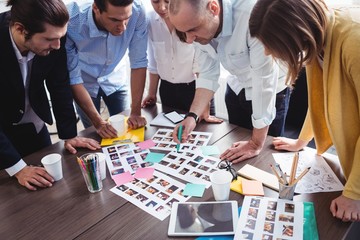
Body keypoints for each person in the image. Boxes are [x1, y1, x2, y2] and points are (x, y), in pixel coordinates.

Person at [249, 0, 360, 222]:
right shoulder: (317, 36)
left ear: (295, 33)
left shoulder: (353, 41)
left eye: (271, 44)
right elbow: (322, 98)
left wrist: (355, 192)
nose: (268, 52)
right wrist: (302, 141)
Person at [168, 0, 290, 163]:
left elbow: (263, 83)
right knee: (233, 156)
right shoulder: (197, 28)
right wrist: (192, 116)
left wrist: (255, 143)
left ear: (213, 8)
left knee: (264, 161)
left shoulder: (253, 17)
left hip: (271, 95)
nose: (189, 40)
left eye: (192, 30)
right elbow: (207, 73)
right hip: (237, 86)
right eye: (184, 32)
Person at [0, 0, 100, 191]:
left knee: (54, 184)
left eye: (60, 37)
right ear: (20, 29)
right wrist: (18, 168)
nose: (57, 46)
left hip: (34, 122)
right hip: (2, 132)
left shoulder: (55, 39)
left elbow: (59, 85)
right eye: (49, 39)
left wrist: (69, 134)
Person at [66, 0, 148, 138]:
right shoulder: (71, 21)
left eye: (126, 19)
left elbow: (139, 62)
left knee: (126, 131)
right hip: (83, 83)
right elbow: (72, 77)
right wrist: (98, 123)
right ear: (96, 8)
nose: (122, 28)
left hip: (115, 79)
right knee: (95, 134)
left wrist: (136, 112)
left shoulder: (138, 10)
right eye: (115, 20)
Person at [141, 0, 222, 124]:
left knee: (203, 132)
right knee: (171, 132)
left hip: (196, 89)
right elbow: (154, 61)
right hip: (167, 90)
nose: (162, 7)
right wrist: (152, 92)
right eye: (155, 1)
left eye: (167, 1)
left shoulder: (192, 19)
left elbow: (203, 64)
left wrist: (205, 103)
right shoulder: (150, 20)